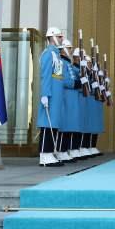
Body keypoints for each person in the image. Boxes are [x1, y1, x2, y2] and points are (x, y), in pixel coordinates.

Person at [38, 27, 66, 167]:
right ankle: (44, 154)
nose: (61, 38)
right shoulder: (48, 54)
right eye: (59, 36)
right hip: (50, 94)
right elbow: (46, 75)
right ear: (53, 37)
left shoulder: (57, 54)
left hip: (57, 94)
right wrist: (45, 94)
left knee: (53, 123)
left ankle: (50, 152)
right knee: (47, 123)